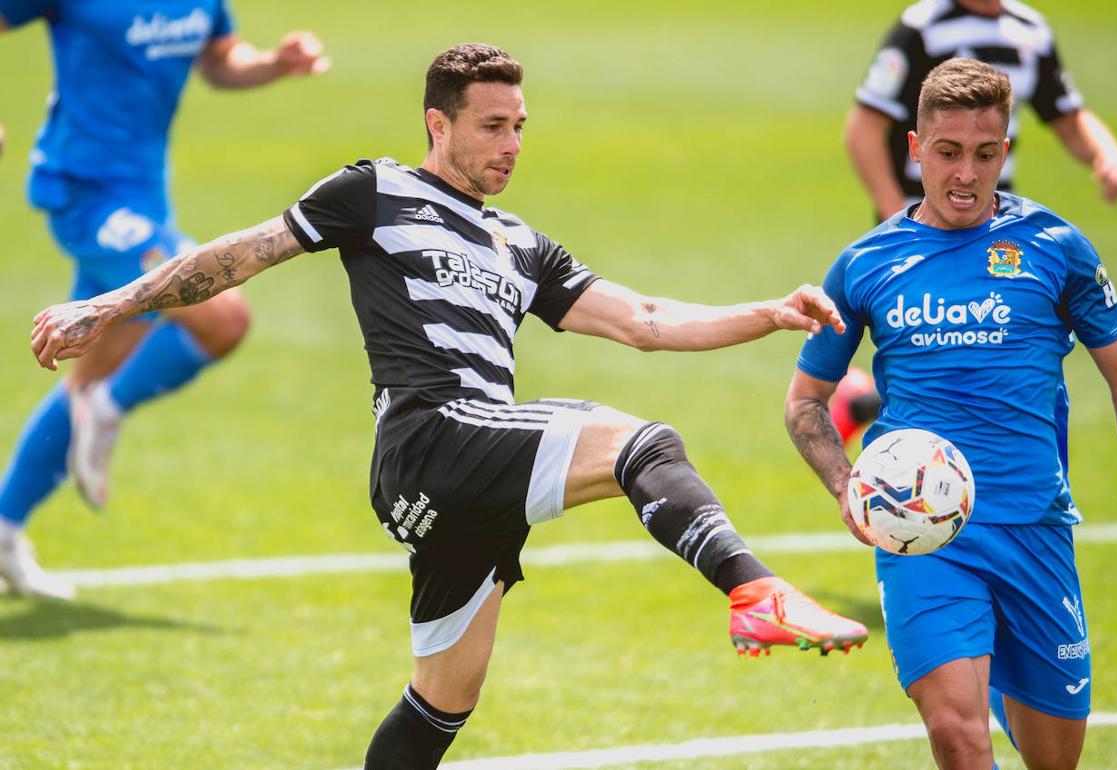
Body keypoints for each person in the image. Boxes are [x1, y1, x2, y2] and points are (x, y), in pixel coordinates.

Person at [31, 43, 870, 769]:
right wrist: (109, 306)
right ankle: (755, 592)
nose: (510, 145)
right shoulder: (374, 190)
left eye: (519, 128)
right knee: (643, 443)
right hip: (430, 437)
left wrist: (766, 312)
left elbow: (644, 321)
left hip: (469, 482)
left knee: (441, 704)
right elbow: (240, 255)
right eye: (492, 126)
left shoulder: (522, 244)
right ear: (439, 124)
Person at [785, 58, 1117, 769]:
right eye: (947, 152)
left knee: (1052, 759)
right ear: (915, 148)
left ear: (1005, 152)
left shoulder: (1057, 250)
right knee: (958, 735)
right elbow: (804, 401)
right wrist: (846, 488)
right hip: (924, 540)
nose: (965, 174)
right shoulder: (867, 264)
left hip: (1036, 533)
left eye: (985, 155)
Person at [0, 1, 330, 600]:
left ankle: (4, 528)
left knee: (83, 368)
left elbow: (220, 57)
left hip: (146, 198)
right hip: (81, 193)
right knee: (223, 318)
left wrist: (272, 65)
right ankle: (107, 405)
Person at [845, 0, 1117, 223]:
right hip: (921, 218)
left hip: (991, 220)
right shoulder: (921, 29)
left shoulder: (1031, 31)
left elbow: (1067, 117)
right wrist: (897, 218)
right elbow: (864, 130)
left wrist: (1107, 153)